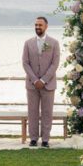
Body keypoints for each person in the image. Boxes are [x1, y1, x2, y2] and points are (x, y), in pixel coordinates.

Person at [22, 16, 60, 148]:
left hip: (48, 84)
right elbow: (25, 63)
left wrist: (43, 80)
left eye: (40, 25)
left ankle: (45, 139)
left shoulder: (54, 43)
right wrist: (35, 80)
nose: (37, 27)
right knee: (32, 112)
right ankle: (33, 138)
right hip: (32, 85)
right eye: (36, 25)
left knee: (47, 112)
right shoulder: (28, 43)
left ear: (46, 26)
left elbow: (55, 64)